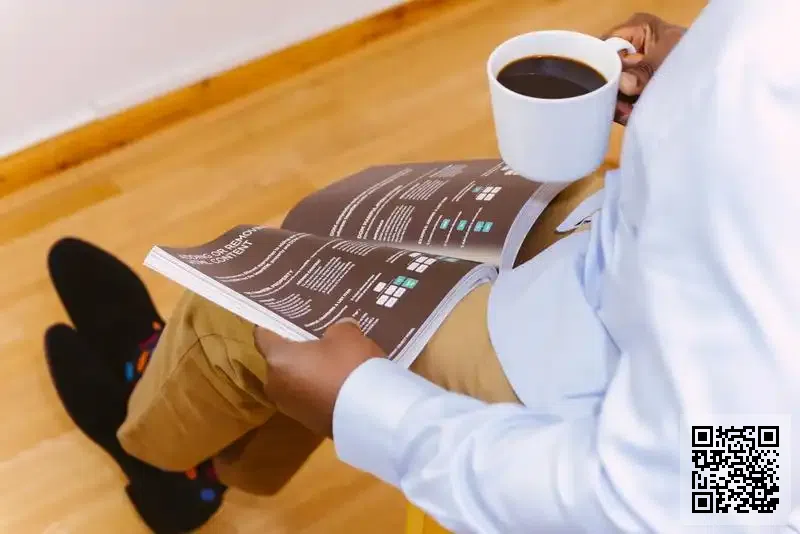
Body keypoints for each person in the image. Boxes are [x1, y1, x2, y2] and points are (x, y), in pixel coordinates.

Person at [44, 2, 800, 532]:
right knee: (341, 232)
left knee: (249, 311)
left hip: (597, 365)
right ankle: (211, 444)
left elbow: (713, 503)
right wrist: (703, 73)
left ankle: (159, 458)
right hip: (640, 247)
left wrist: (369, 407)